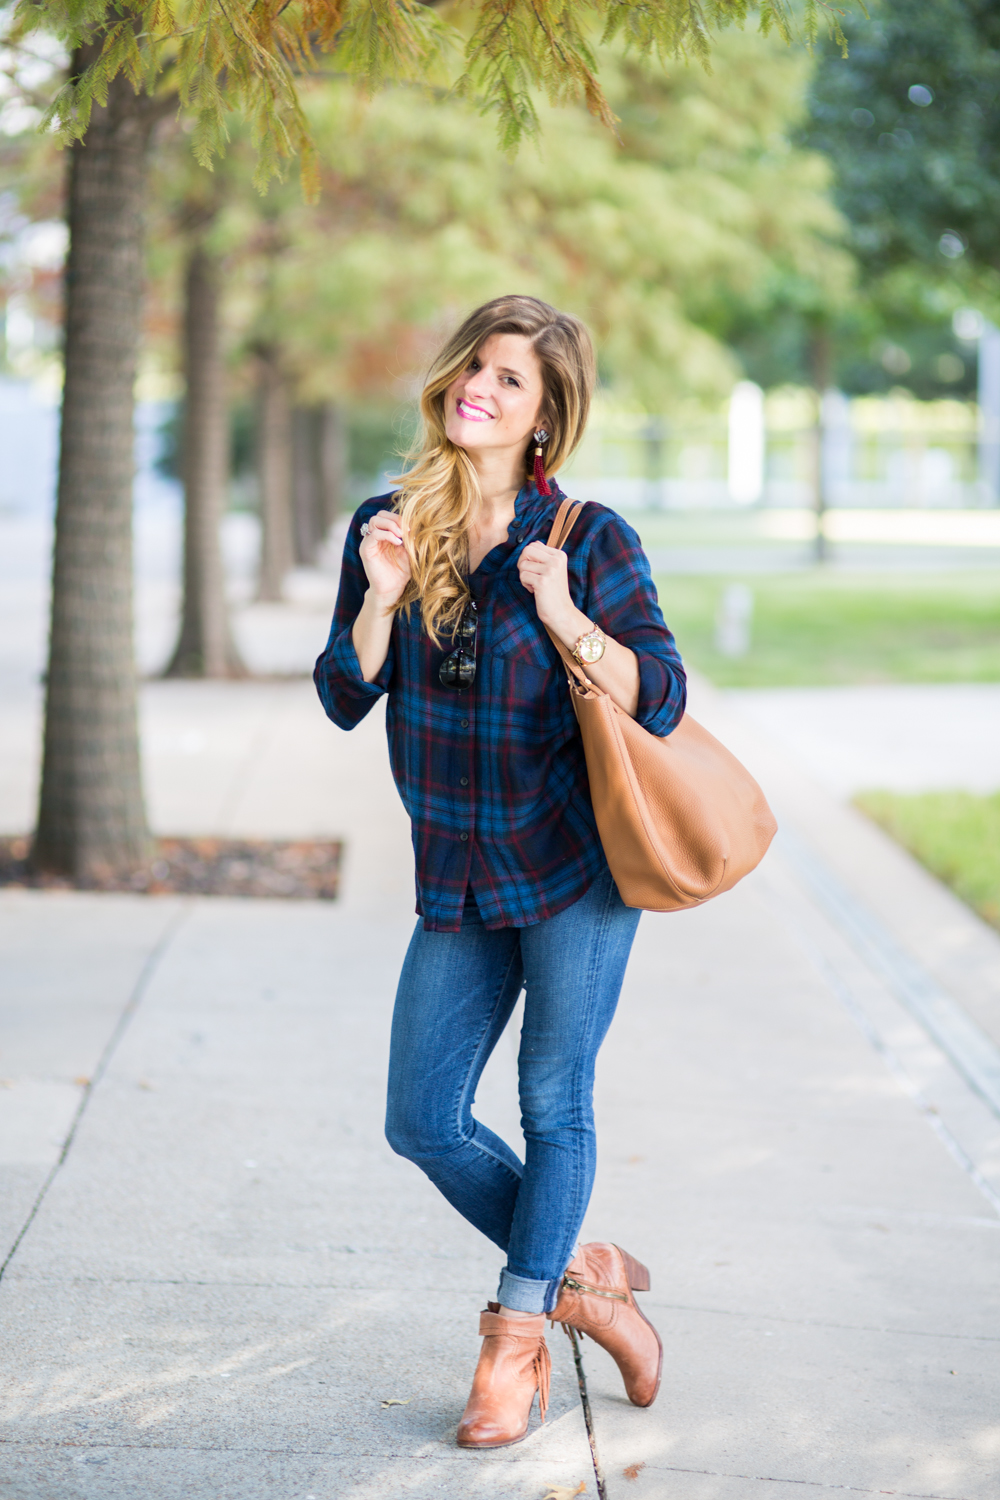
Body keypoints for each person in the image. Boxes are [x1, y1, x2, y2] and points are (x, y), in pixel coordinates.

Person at [314, 295, 686, 1449]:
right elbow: (341, 693)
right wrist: (378, 598)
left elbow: (661, 697)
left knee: (549, 1101)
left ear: (544, 420)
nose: (480, 386)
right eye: (476, 366)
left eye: (511, 379)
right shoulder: (391, 522)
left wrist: (563, 610)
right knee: (421, 1119)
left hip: (574, 868)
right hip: (458, 873)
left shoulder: (587, 538)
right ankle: (585, 1278)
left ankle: (513, 1343)